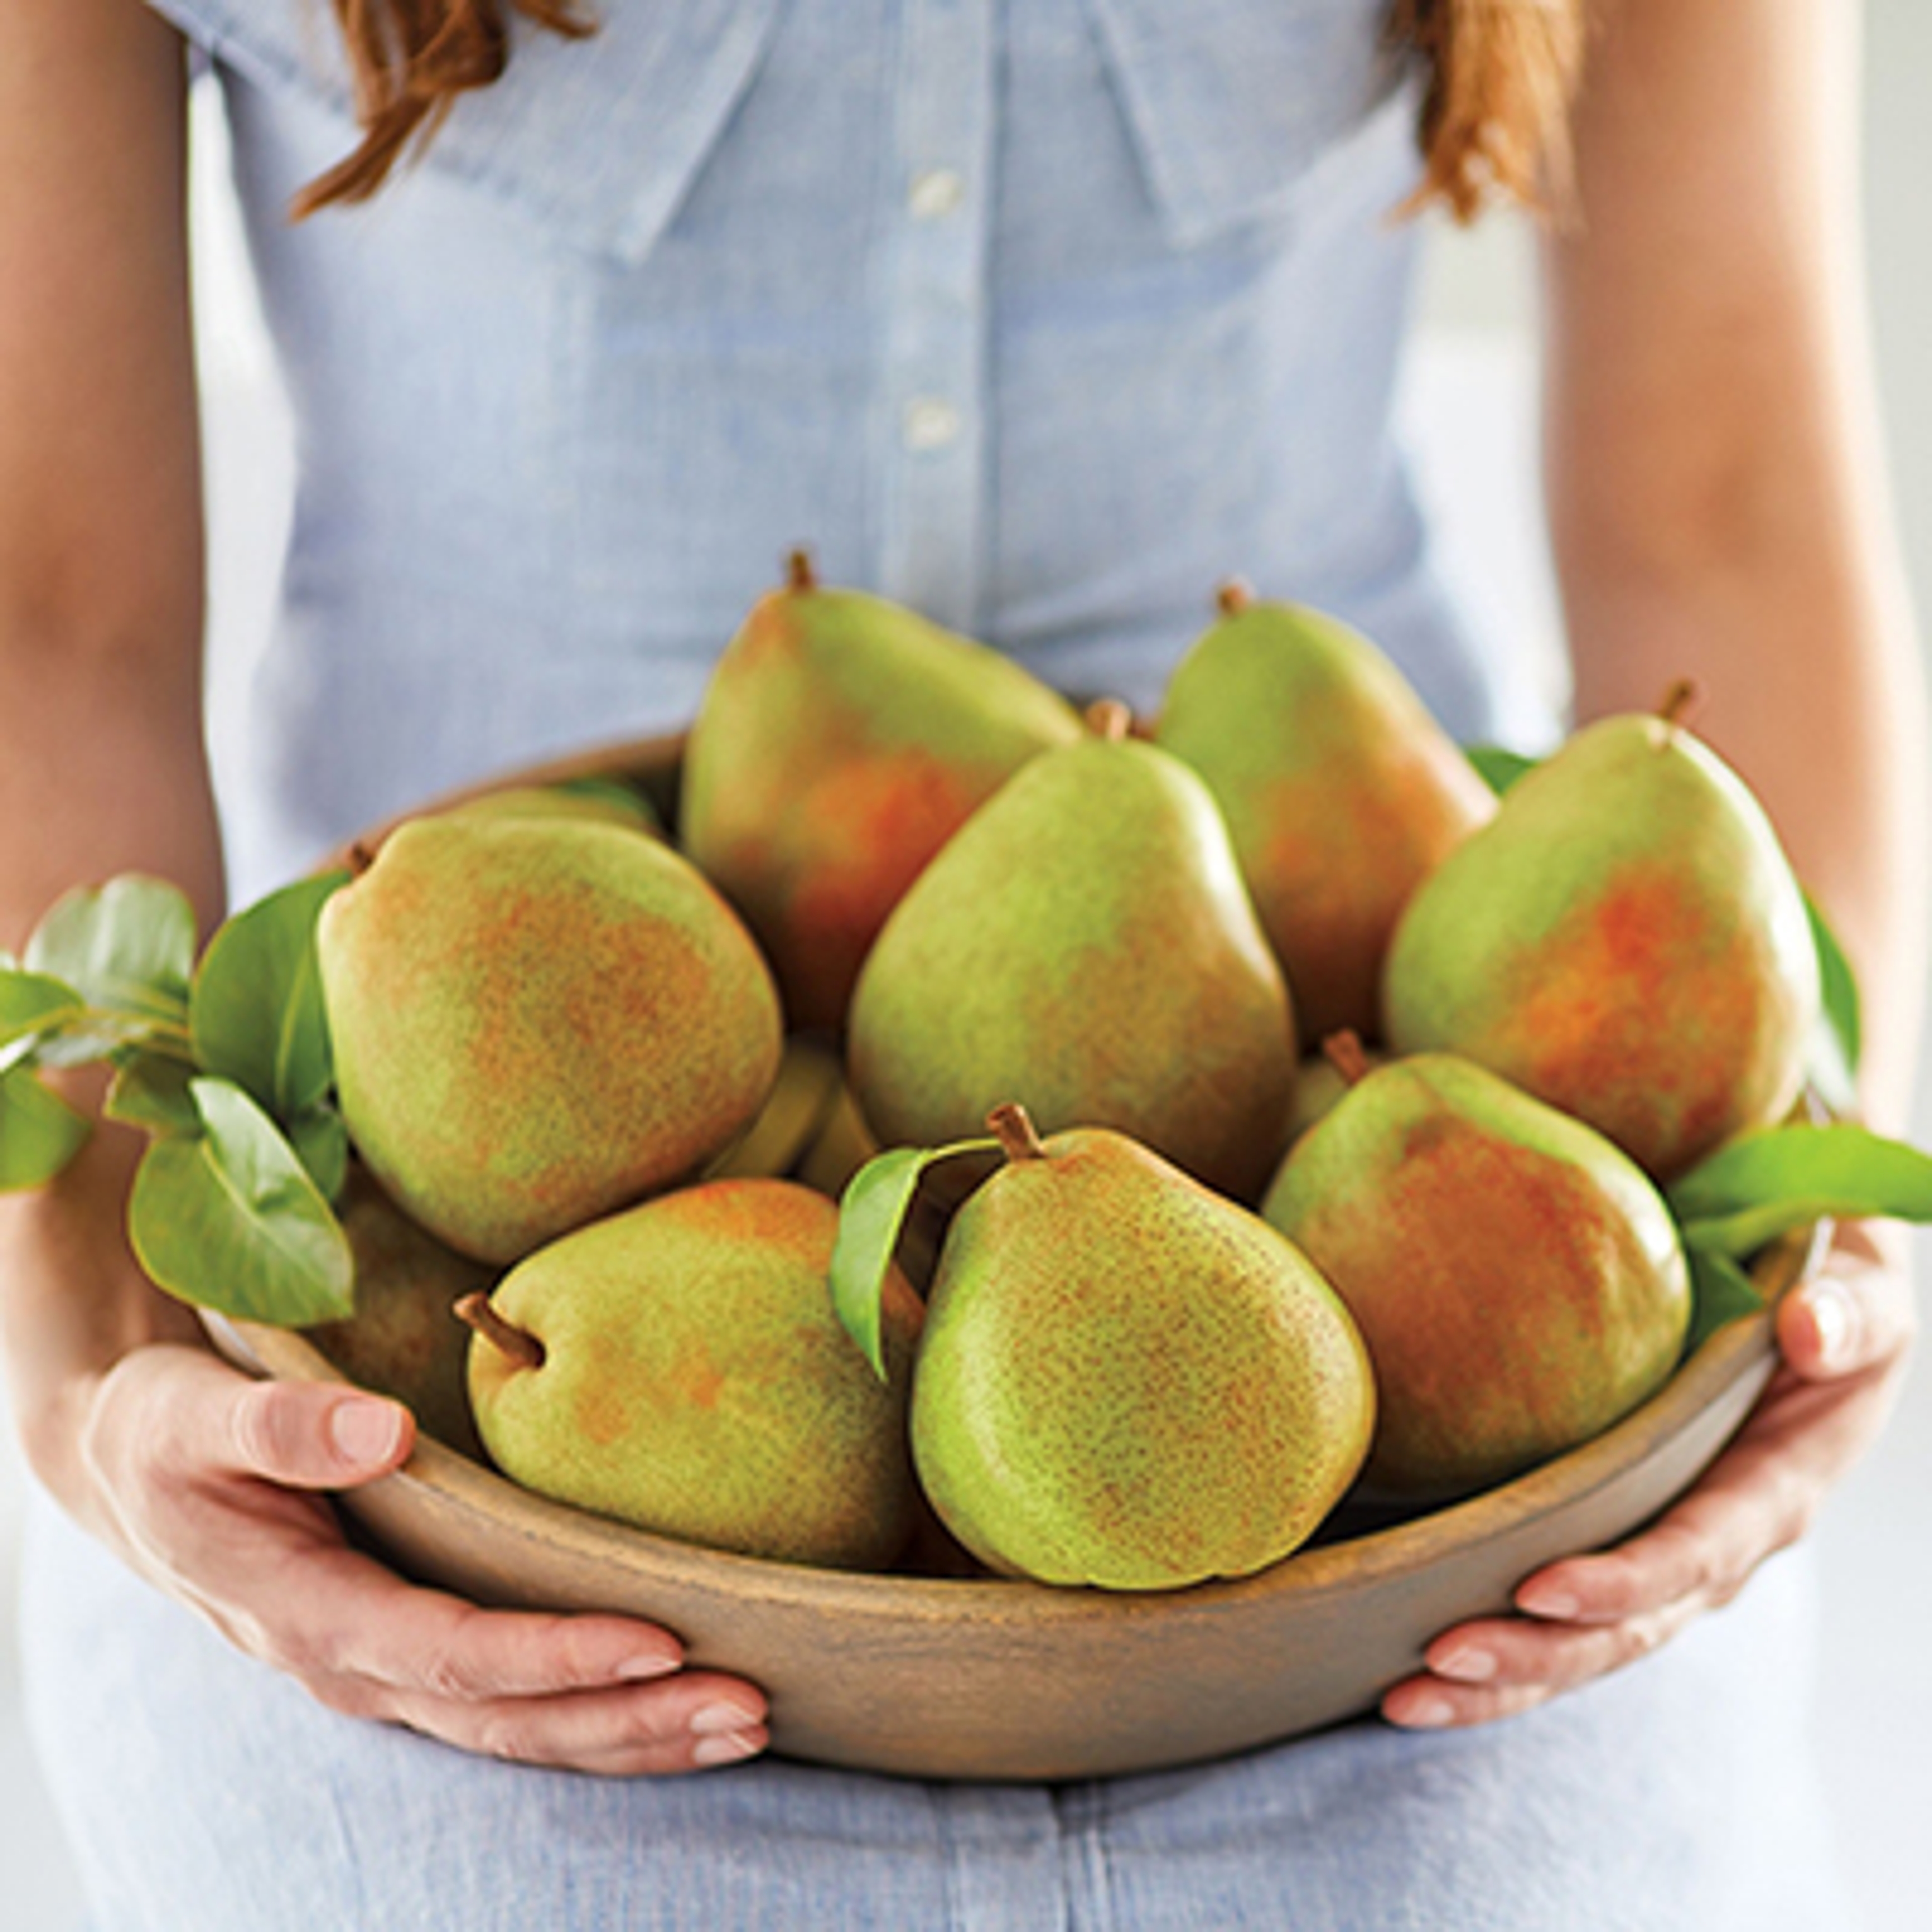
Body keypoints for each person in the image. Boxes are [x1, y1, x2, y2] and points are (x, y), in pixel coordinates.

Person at [1, 0, 1922, 1925]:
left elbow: (1722, 505)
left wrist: (1815, 1196)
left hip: (1413, 1278)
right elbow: (46, 613)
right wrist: (89, 1358)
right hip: (436, 1328)